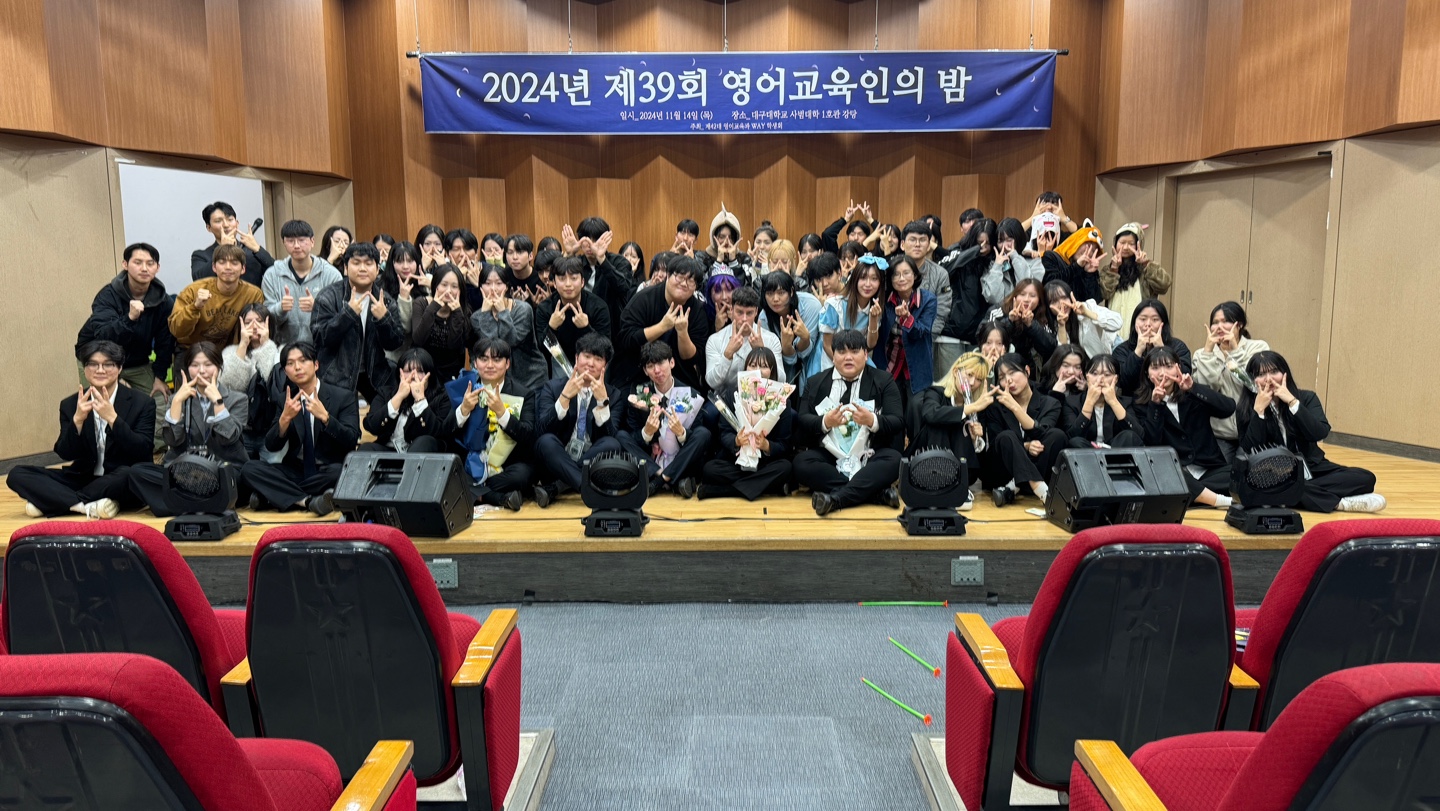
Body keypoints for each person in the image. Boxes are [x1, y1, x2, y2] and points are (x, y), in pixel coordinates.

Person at [9, 341, 155, 518]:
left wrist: (113, 419)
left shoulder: (142, 403)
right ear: (85, 369)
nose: (100, 370)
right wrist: (77, 420)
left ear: (119, 368)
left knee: (130, 474)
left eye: (108, 364)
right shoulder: (70, 404)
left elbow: (143, 450)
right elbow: (65, 452)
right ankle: (85, 505)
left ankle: (56, 502)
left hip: (119, 479)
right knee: (17, 474)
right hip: (83, 478)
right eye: (93, 364)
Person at [1235, 351, 1385, 513]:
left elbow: (1319, 432)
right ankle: (1339, 504)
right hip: (1275, 473)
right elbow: (1249, 448)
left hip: (1313, 467)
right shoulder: (1246, 408)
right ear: (1252, 379)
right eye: (1261, 374)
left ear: (1285, 373)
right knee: (1267, 485)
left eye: (1274, 372)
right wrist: (1259, 412)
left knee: (1365, 478)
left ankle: (1287, 495)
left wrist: (1292, 402)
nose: (1269, 379)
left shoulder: (1306, 398)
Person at [126, 342, 248, 516]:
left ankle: (182, 502)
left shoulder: (238, 399)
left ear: (219, 367)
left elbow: (228, 438)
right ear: (187, 368)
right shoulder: (178, 399)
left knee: (238, 478)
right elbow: (172, 440)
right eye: (195, 365)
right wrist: (177, 402)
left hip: (221, 470)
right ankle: (206, 503)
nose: (201, 371)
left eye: (208, 365)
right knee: (137, 472)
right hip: (184, 472)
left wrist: (218, 402)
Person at [239, 341, 359, 515]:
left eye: (303, 361)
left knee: (342, 473)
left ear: (316, 365)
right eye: (290, 363)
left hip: (328, 469)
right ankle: (308, 501)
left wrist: (326, 418)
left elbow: (351, 439)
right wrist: (284, 420)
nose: (297, 367)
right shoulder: (285, 400)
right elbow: (272, 445)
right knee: (250, 469)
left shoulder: (343, 396)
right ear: (285, 371)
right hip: (296, 469)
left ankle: (273, 495)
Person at [796, 329, 903, 515]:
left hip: (869, 455)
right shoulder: (815, 382)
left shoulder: (883, 380)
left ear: (865, 354)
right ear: (833, 355)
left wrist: (872, 420)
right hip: (831, 458)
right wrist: (825, 422)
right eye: (842, 352)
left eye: (854, 351)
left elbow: (897, 420)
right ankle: (874, 494)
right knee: (801, 463)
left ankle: (837, 499)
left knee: (894, 460)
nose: (848, 357)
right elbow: (802, 419)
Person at [1131, 346, 1234, 508]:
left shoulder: (1193, 392)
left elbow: (1228, 408)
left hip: (1209, 470)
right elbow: (1152, 442)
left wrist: (1193, 388)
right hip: (1175, 470)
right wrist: (1156, 405)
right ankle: (1216, 499)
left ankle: (1193, 495)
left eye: (1168, 366)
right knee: (1165, 474)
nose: (1163, 373)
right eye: (1155, 368)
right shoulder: (1142, 403)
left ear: (1178, 367)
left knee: (1239, 472)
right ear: (1147, 373)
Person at [440, 338, 535, 511]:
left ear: (507, 364)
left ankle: (474, 491)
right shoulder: (463, 389)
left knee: (522, 475)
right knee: (447, 470)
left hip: (504, 467)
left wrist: (502, 413)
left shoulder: (523, 394)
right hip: (469, 464)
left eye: (497, 360)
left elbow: (528, 436)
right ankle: (496, 497)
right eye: (484, 359)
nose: (490, 365)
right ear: (475, 363)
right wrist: (463, 410)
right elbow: (444, 432)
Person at [75, 242, 174, 407]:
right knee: (99, 407)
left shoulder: (164, 302)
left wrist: (159, 377)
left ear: (157, 268)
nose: (144, 268)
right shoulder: (107, 296)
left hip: (137, 362)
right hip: (99, 359)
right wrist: (130, 318)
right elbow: (103, 335)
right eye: (138, 262)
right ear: (125, 264)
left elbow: (165, 342)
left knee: (158, 401)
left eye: (150, 263)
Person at [531, 333, 625, 507]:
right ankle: (586, 489)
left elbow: (610, 437)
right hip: (557, 462)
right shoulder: (553, 387)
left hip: (590, 463)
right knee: (546, 441)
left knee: (612, 444)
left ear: (605, 365)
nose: (591, 363)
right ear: (576, 358)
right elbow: (540, 431)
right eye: (586, 356)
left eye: (598, 359)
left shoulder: (613, 395)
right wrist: (565, 397)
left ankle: (558, 487)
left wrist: (602, 403)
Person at [310, 242, 406, 399]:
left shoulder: (385, 300)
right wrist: (347, 314)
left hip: (375, 374)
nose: (362, 268)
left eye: (368, 263)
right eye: (356, 263)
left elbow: (395, 343)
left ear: (377, 269)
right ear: (346, 268)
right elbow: (320, 338)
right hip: (336, 375)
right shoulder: (328, 296)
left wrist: (384, 319)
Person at [619, 341, 711, 498]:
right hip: (652, 459)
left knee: (703, 434)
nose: (657, 370)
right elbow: (632, 436)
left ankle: (660, 481)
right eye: (650, 366)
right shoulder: (638, 395)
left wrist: (681, 433)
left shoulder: (691, 394)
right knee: (620, 436)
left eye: (661, 363)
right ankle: (670, 478)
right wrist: (646, 433)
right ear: (645, 371)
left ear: (672, 363)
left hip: (681, 457)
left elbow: (697, 439)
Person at [700, 348, 794, 501]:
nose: (758, 370)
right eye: (753, 365)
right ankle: (766, 487)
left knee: (785, 468)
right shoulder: (733, 394)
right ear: (745, 368)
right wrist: (736, 441)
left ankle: (722, 491)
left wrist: (767, 446)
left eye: (764, 366)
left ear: (771, 370)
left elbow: (785, 443)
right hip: (737, 461)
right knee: (709, 469)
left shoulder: (781, 399)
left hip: (764, 463)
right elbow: (724, 432)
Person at [976, 353, 1068, 508]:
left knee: (1057, 435)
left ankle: (1013, 487)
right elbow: (997, 443)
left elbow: (1042, 433)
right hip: (1003, 472)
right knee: (1006, 436)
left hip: (1036, 463)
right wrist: (1025, 446)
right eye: (1002, 377)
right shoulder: (995, 406)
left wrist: (1015, 408)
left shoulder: (1050, 403)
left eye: (1012, 372)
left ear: (1027, 371)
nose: (1008, 380)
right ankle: (1039, 487)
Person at [907, 352, 994, 510]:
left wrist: (976, 440)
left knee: (962, 425)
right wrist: (968, 409)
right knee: (941, 421)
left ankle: (955, 487)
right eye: (969, 375)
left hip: (964, 468)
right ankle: (941, 485)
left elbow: (980, 460)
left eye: (979, 379)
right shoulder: (936, 392)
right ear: (956, 372)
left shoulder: (979, 405)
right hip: (926, 461)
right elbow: (930, 414)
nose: (972, 382)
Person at [614, 256, 710, 391]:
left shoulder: (697, 310)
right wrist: (662, 327)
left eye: (691, 280)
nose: (684, 284)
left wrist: (683, 333)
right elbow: (627, 339)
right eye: (680, 277)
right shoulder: (643, 299)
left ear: (695, 287)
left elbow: (693, 359)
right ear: (668, 276)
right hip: (637, 373)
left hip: (679, 378)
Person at [1192, 301, 1270, 462]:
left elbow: (1253, 384)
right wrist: (1208, 353)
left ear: (1239, 324)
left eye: (1226, 321)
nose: (1219, 327)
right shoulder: (1201, 355)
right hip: (1219, 433)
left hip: (1252, 428)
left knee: (1251, 470)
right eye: (1215, 322)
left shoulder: (1258, 348)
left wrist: (1235, 351)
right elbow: (1207, 391)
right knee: (1222, 472)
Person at [169, 244, 265, 374]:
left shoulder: (253, 294)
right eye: (222, 262)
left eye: (234, 263)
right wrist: (195, 307)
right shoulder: (193, 290)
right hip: (191, 351)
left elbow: (257, 330)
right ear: (214, 267)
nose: (228, 267)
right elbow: (176, 330)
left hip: (228, 353)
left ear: (243, 269)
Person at [262, 219, 343, 346]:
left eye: (301, 240)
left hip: (321, 347)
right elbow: (265, 317)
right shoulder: (272, 274)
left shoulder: (331, 274)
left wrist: (318, 308)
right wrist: (280, 308)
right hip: (284, 348)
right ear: (284, 243)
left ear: (312, 241)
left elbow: (341, 316)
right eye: (290, 241)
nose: (296, 246)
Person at [874, 255, 937, 410]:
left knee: (916, 407)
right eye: (896, 274)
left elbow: (921, 332)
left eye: (906, 273)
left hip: (916, 363)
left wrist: (907, 317)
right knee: (891, 407)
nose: (901, 278)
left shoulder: (928, 300)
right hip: (889, 361)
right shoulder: (884, 299)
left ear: (914, 275)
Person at [220, 303, 281, 458]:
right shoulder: (230, 353)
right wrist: (243, 345)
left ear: (269, 324)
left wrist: (265, 346)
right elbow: (230, 386)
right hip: (241, 430)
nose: (254, 326)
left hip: (271, 430)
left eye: (259, 321)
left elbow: (275, 385)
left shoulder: (280, 352)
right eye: (248, 322)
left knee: (270, 470)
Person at [537, 255, 611, 380]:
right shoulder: (545, 308)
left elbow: (606, 349)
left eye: (573, 278)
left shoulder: (599, 307)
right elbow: (541, 351)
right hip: (558, 364)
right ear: (554, 283)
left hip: (591, 363)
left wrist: (586, 328)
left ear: (582, 282)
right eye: (562, 279)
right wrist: (551, 327)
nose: (568, 284)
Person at [359, 348, 446, 454]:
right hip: (391, 451)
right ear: (399, 374)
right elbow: (371, 425)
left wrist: (420, 400)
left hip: (423, 454)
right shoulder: (386, 393)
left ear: (430, 375)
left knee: (422, 442)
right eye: (407, 371)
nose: (413, 376)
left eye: (420, 371)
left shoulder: (442, 397)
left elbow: (440, 432)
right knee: (365, 449)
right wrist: (398, 397)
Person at [564, 216, 636, 343]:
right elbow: (556, 281)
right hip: (579, 326)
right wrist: (569, 254)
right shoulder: (576, 262)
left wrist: (602, 259)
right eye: (586, 239)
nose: (590, 244)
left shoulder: (619, 262)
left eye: (596, 239)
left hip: (612, 329)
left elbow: (623, 287)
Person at [706, 286, 785, 393]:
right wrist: (728, 354)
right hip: (724, 398)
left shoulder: (771, 339)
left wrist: (762, 351)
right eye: (739, 312)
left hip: (762, 397)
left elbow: (781, 380)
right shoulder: (715, 339)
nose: (744, 319)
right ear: (731, 310)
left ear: (756, 312)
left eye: (749, 313)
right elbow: (712, 382)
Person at [1102, 223, 1171, 338]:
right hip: (1113, 335)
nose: (1125, 247)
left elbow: (1164, 285)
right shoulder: (1108, 270)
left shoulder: (1146, 268)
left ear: (1139, 245)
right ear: (1115, 244)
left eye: (1131, 244)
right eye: (1122, 242)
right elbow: (1103, 294)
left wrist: (1145, 264)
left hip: (1142, 333)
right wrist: (1114, 269)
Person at [1114, 299, 1192, 395]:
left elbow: (1184, 375)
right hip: (1133, 401)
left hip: (1171, 399)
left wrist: (1162, 349)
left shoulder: (1178, 346)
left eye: (1155, 320)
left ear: (1163, 324)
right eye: (1143, 319)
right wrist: (1138, 351)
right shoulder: (1121, 350)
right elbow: (1123, 382)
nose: (1148, 324)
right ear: (1135, 323)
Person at [760, 270, 822, 390]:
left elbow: (805, 354)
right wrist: (786, 346)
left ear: (792, 291)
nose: (775, 299)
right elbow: (787, 360)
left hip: (812, 365)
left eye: (781, 293)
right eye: (769, 293)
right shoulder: (764, 318)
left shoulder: (811, 306)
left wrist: (805, 338)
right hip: (783, 374)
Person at [410, 265, 473, 383]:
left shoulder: (463, 310)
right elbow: (418, 339)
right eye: (444, 285)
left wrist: (457, 313)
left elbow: (453, 345)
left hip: (451, 373)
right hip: (422, 368)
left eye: (454, 286)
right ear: (435, 285)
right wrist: (434, 307)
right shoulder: (421, 304)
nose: (448, 291)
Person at [1064, 353, 1141, 449]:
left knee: (1128, 436)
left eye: (1107, 375)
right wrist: (1089, 402)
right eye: (1094, 374)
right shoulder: (1072, 402)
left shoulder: (1125, 402)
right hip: (1087, 452)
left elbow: (1138, 435)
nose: (1100, 379)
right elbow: (1071, 436)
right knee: (1076, 441)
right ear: (1086, 376)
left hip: (1115, 452)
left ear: (1116, 379)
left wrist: (1113, 402)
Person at [191, 201, 273, 287]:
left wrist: (258, 249)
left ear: (237, 223)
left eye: (230, 219)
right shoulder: (201, 255)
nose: (226, 225)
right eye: (218, 221)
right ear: (209, 227)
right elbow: (199, 279)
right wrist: (222, 250)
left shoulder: (252, 252)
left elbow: (277, 273)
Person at [820, 256, 887, 361]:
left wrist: (873, 319)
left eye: (874, 279)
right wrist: (843, 366)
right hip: (832, 359)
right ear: (855, 279)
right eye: (863, 278)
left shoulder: (877, 307)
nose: (868, 284)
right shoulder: (835, 305)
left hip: (858, 361)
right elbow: (827, 345)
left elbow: (870, 344)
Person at [1044, 279, 1122, 359]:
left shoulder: (1088, 306)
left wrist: (1086, 313)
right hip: (1094, 362)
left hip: (1114, 349)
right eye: (1054, 301)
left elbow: (1117, 323)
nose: (1062, 303)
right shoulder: (1051, 327)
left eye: (1064, 297)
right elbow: (1064, 355)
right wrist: (1062, 325)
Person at [990, 279, 1056, 372]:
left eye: (1032, 296)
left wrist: (1031, 325)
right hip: (998, 362)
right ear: (1015, 296)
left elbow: (1050, 348)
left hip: (1028, 367)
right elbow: (984, 335)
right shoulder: (1000, 309)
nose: (1026, 299)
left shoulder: (1042, 315)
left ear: (1039, 300)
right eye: (1022, 294)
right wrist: (1010, 321)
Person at [980, 217, 1045, 312]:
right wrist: (997, 266)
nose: (1005, 245)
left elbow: (1027, 289)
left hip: (1030, 314)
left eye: (1009, 240)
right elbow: (994, 298)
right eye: (1000, 241)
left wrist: (1015, 257)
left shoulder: (1035, 262)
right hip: (1001, 315)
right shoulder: (991, 266)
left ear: (1018, 238)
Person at [378, 241, 426, 366]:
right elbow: (404, 329)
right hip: (392, 358)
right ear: (392, 263)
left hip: (421, 357)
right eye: (399, 261)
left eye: (410, 261)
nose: (405, 266)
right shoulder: (382, 288)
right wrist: (404, 298)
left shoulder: (426, 284)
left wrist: (431, 287)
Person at [696, 205, 756, 286]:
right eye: (722, 237)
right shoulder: (702, 257)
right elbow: (702, 286)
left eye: (730, 237)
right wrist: (718, 261)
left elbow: (746, 286)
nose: (726, 241)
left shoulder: (744, 258)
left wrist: (733, 261)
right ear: (714, 237)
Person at [503, 233, 546, 303]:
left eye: (520, 252)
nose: (515, 257)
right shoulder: (503, 277)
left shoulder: (541, 277)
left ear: (530, 256)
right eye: (510, 252)